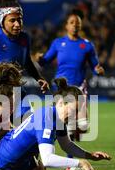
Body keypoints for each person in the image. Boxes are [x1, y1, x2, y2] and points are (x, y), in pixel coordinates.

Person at [0, 78, 112, 170]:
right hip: (4, 166)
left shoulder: (57, 117)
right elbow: (47, 159)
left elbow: (66, 145)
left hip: (23, 162)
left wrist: (89, 155)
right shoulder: (47, 117)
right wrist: (81, 162)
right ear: (61, 103)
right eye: (74, 110)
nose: (76, 116)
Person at [37, 11, 105, 140]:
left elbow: (95, 66)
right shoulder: (58, 43)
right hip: (61, 88)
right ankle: (62, 154)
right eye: (72, 22)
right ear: (66, 25)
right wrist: (40, 59)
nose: (74, 25)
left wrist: (98, 71)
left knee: (82, 125)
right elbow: (45, 61)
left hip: (78, 88)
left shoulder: (87, 45)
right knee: (62, 123)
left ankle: (71, 152)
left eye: (77, 23)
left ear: (80, 26)